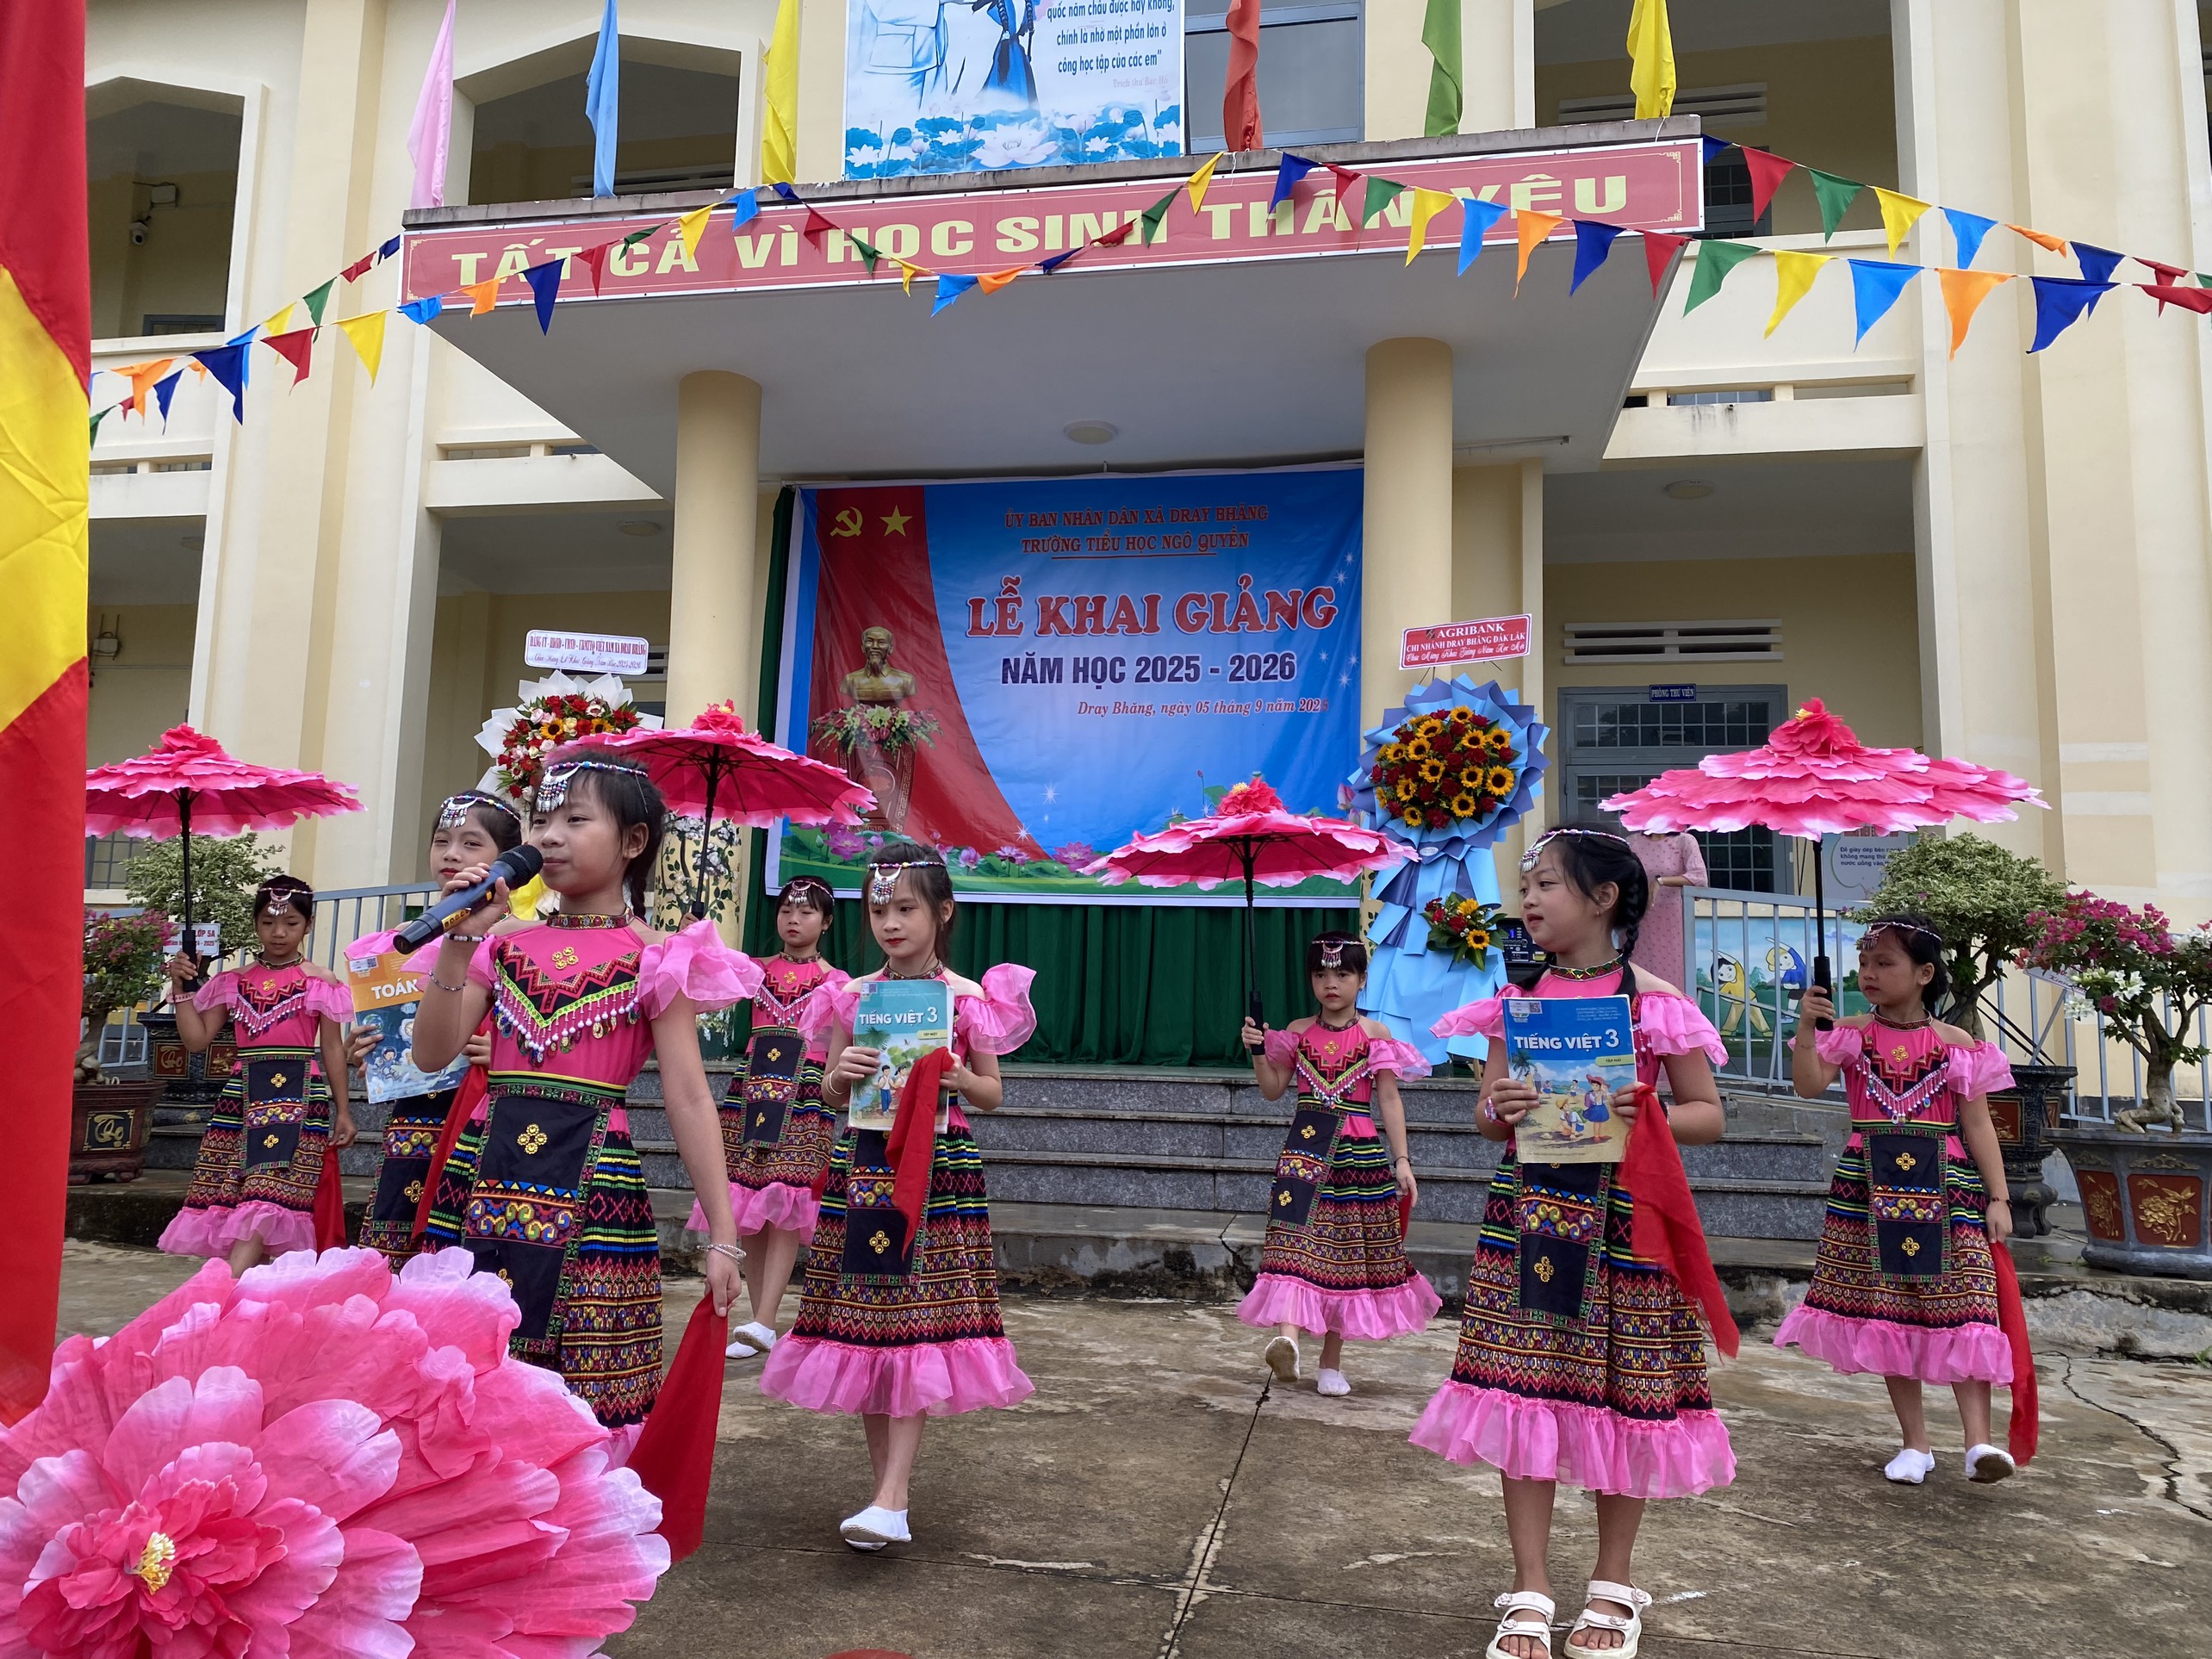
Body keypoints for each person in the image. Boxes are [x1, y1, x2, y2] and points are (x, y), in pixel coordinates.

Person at [1418, 827, 1733, 1659]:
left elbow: (1708, 1115)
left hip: (1628, 1223)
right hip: (1531, 1216)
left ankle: (1611, 1584)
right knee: (1522, 1387)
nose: (1528, 899)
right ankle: (1529, 1585)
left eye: (1547, 884)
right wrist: (1500, 1108)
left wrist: (1649, 1111)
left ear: (1603, 899)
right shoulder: (1516, 1000)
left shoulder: (1656, 1003)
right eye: (1527, 885)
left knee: (1627, 1396)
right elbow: (1487, 1117)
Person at [411, 752, 757, 1432]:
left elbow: (690, 1097)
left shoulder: (656, 956)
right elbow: (431, 1054)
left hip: (596, 1188)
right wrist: (457, 942)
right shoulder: (500, 944)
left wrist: (724, 1235)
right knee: (466, 1364)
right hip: (481, 1174)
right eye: (541, 821)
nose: (550, 837)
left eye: (575, 820)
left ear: (633, 841)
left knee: (584, 1389)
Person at [762, 839, 1035, 1552]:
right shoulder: (852, 995)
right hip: (864, 1163)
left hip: (938, 1168)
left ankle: (892, 1495)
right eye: (879, 909)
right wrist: (842, 1073)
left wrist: (959, 1079)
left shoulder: (967, 999)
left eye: (906, 909)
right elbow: (828, 1090)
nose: (890, 923)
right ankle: (887, 1494)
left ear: (942, 912)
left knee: (914, 1318)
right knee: (866, 1320)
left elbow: (993, 1093)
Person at [1777, 916, 2020, 1485]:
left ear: (1924, 973)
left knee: (1967, 1304)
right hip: (1868, 1185)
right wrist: (1807, 1027)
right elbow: (1809, 1085)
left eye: (1884, 963)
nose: (1869, 973)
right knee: (1887, 1309)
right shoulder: (1850, 1034)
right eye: (1864, 962)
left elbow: (1978, 1125)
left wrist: (1999, 1197)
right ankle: (1916, 1444)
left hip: (1948, 1184)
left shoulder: (1957, 1044)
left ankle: (1979, 1443)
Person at [1236, 931, 1438, 1396]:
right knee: (1292, 1244)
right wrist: (1258, 1051)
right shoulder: (1297, 1031)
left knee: (1346, 1258)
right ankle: (1287, 1341)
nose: (1331, 983)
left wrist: (1402, 1160)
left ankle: (1331, 1363)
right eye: (1321, 974)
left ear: (1362, 980)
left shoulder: (1375, 1035)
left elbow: (1389, 1099)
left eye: (1343, 974)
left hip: (1359, 1157)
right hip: (1304, 1152)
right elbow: (1272, 1089)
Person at [345, 790, 523, 1267]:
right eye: (442, 841)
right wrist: (367, 1051)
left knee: (470, 1255)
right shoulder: (401, 943)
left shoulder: (523, 940)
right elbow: (391, 1040)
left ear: (507, 860)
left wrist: (510, 1052)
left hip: (487, 1114)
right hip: (415, 1118)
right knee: (396, 1251)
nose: (452, 854)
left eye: (471, 843)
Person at [158, 876, 356, 1275]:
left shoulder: (321, 981)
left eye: (291, 923)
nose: (279, 933)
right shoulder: (232, 981)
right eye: (267, 923)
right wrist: (180, 989)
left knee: (269, 1195)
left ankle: (225, 1287)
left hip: (300, 1098)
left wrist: (344, 1110)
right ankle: (245, 1293)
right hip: (242, 1099)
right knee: (238, 1197)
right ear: (255, 924)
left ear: (309, 924)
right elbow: (197, 1040)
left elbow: (332, 1048)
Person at [690, 874, 851, 1360]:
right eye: (786, 910)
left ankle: (765, 1318)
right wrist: (693, 933)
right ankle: (760, 1322)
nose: (793, 919)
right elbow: (704, 970)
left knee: (786, 1200)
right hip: (753, 1089)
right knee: (752, 1202)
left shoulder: (837, 983)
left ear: (826, 922)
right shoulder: (756, 970)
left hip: (804, 1092)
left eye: (806, 911)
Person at [1628, 830, 1706, 990]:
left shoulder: (1684, 840)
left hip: (1672, 919)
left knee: (1673, 974)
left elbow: (1699, 878)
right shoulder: (1631, 842)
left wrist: (1660, 881)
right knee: (1638, 976)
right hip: (1638, 918)